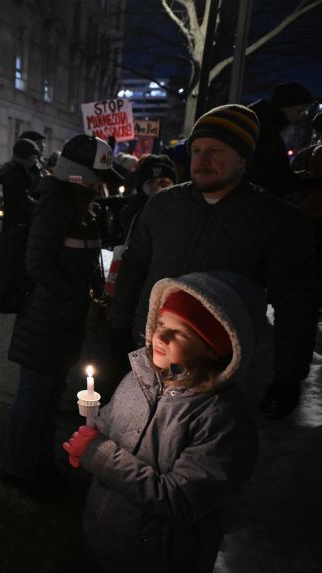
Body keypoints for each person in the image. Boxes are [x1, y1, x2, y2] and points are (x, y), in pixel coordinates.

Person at [109, 104, 319, 419]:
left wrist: (289, 376)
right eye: (196, 150)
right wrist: (117, 329)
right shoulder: (163, 206)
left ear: (243, 158)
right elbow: (134, 269)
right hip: (149, 355)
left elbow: (296, 302)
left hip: (217, 373)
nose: (203, 160)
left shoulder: (276, 220)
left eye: (216, 150)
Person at [64, 272, 262, 573]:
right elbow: (107, 422)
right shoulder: (139, 378)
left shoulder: (221, 419)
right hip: (103, 534)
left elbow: (179, 499)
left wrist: (99, 454)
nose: (161, 337)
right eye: (160, 325)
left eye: (180, 333)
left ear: (213, 347)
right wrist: (88, 443)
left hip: (158, 555)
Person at [0, 134, 121, 494]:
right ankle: (17, 469)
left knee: (47, 398)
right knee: (34, 399)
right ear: (77, 175)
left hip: (61, 322)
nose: (101, 185)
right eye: (96, 178)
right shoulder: (57, 205)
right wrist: (79, 294)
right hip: (46, 322)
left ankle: (37, 464)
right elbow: (37, 264)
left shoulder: (79, 206)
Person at [248, 81, 314, 196]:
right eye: (299, 111)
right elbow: (267, 177)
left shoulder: (261, 122)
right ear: (285, 106)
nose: (298, 118)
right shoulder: (265, 129)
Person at [118, 154, 176, 234]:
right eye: (150, 182)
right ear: (141, 187)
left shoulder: (183, 207)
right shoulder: (133, 214)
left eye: (164, 182)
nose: (157, 188)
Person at [0, 138, 39, 229]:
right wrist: (41, 205)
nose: (35, 160)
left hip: (16, 224)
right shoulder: (16, 174)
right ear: (26, 156)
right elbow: (23, 200)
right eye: (34, 156)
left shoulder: (21, 171)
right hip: (17, 226)